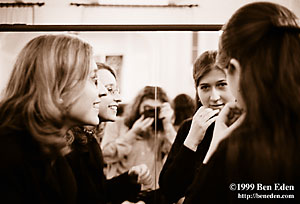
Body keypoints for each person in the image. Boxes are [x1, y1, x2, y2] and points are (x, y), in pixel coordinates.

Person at [183, 2, 300, 203]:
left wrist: (217, 148)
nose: (214, 96)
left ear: (235, 70)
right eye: (204, 87)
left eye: (223, 81)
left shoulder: (235, 152)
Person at [0, 34, 104, 203]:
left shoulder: (52, 148)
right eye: (94, 80)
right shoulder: (10, 155)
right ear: (59, 87)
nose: (101, 92)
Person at [66, 63, 152, 204]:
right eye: (110, 89)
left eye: (115, 90)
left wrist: (128, 178)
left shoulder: (89, 139)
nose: (118, 98)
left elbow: (97, 192)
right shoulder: (69, 144)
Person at [159, 50, 234, 204]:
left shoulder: (248, 126)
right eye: (205, 87)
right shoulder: (189, 127)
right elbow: (169, 189)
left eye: (221, 85)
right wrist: (192, 140)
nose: (214, 97)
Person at [101, 85, 176, 191]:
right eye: (148, 108)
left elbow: (178, 155)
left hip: (151, 191)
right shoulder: (116, 124)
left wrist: (167, 125)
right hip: (121, 191)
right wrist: (132, 134)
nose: (152, 113)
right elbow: (105, 156)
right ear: (138, 106)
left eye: (156, 109)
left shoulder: (161, 131)